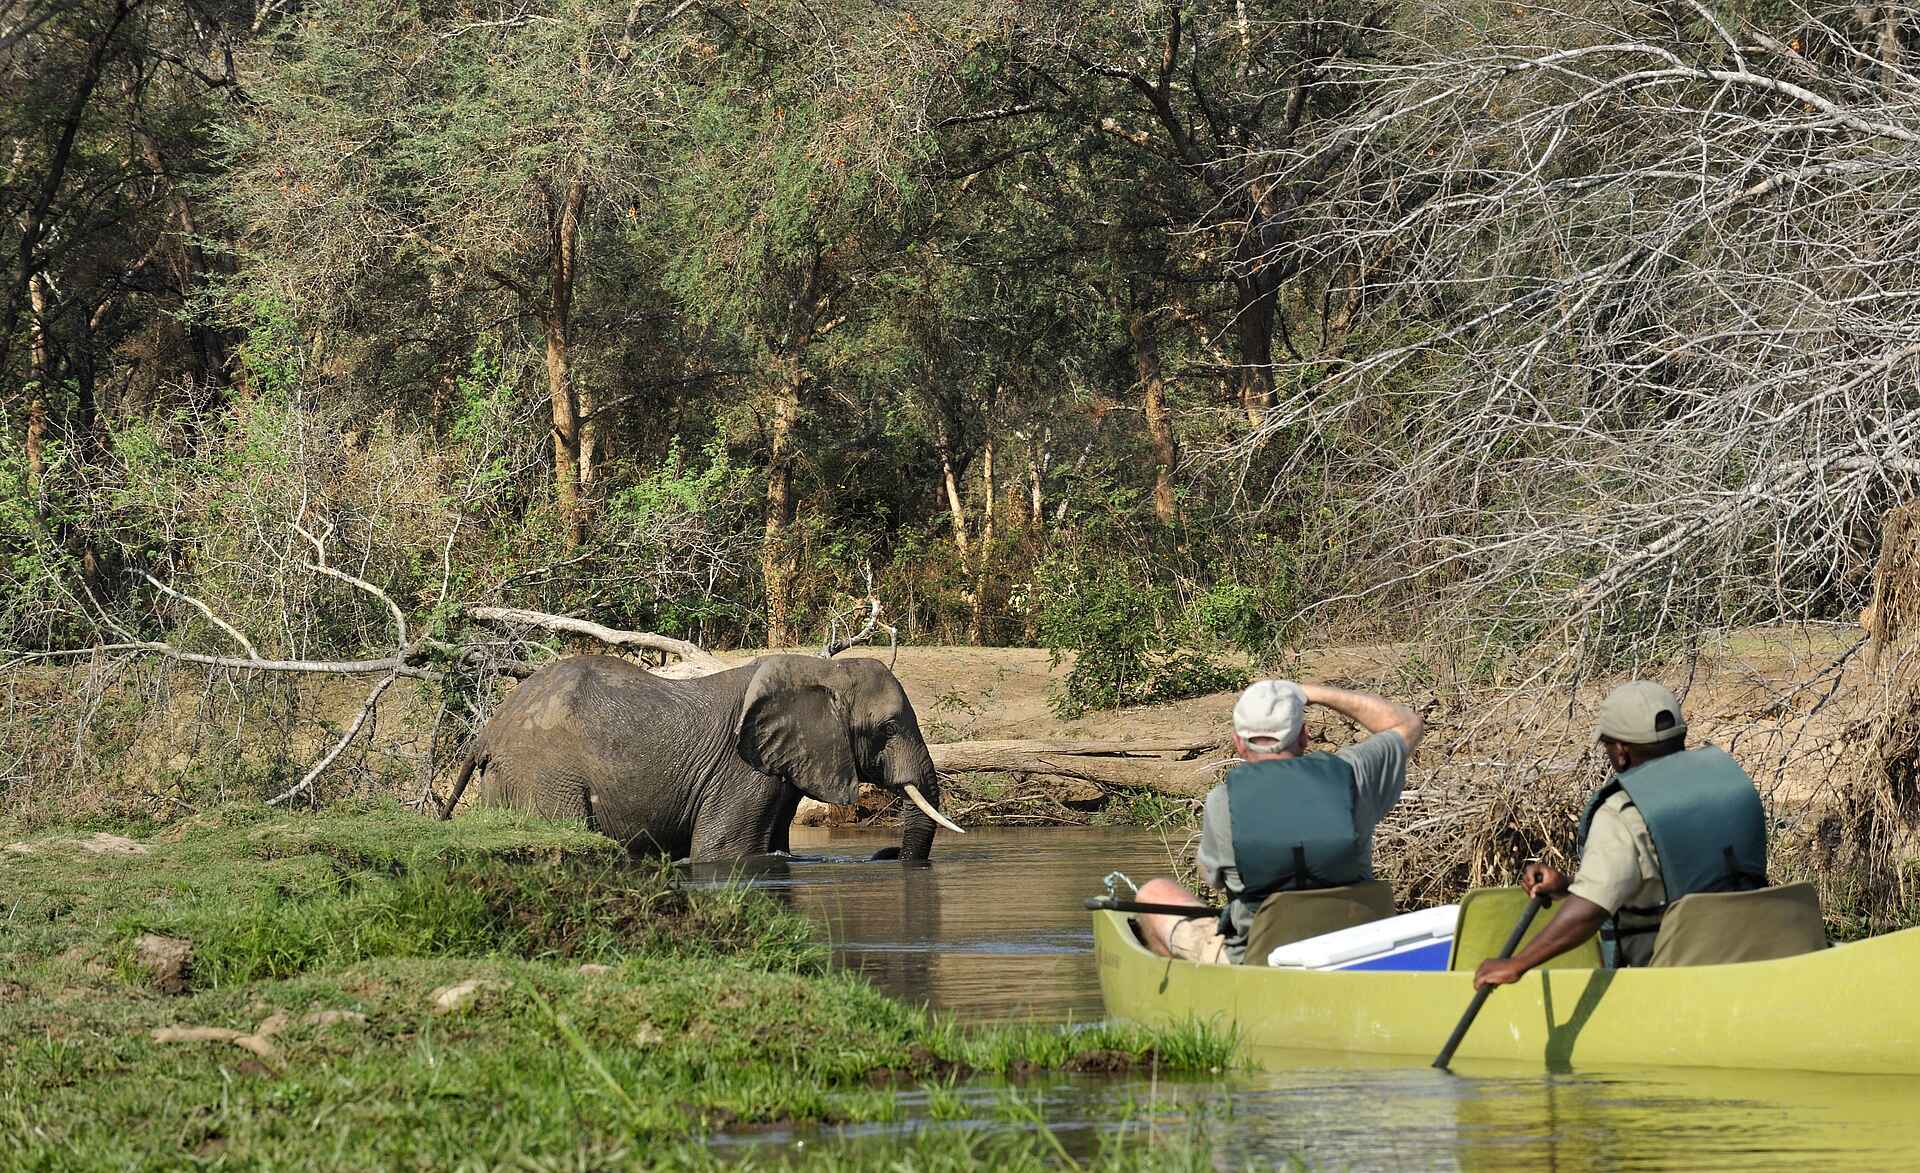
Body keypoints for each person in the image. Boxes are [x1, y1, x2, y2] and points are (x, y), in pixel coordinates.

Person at [1474, 681, 1768, 988]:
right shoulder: (1729, 787)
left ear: (1621, 752)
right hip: (1757, 959)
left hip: (1681, 980)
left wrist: (1516, 964)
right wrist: (1569, 887)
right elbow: (1690, 886)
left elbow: (1589, 911)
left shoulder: (1623, 813)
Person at [1135, 678, 1425, 964]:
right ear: (1304, 736)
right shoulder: (1355, 774)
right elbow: (1407, 724)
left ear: (1238, 742)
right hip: (1358, 950)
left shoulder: (1222, 802)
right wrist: (1310, 692)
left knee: (1153, 893)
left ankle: (1196, 993)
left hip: (1260, 959)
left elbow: (1212, 879)